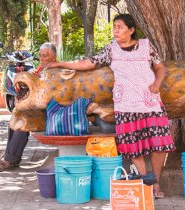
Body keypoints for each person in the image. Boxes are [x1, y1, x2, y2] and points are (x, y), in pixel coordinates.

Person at [45, 14, 175, 198]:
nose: (115, 30)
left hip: (150, 103)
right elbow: (87, 63)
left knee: (159, 145)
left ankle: (157, 185)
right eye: (114, 26)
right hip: (127, 105)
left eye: (120, 27)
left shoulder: (147, 46)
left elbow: (160, 67)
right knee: (133, 146)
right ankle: (147, 184)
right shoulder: (111, 50)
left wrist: (157, 84)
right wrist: (59, 63)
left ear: (131, 30)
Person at [0, 42, 57, 172]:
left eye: (46, 56)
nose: (42, 59)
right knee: (17, 114)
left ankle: (10, 160)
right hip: (40, 106)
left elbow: (50, 90)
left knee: (24, 120)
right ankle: (11, 157)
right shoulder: (41, 69)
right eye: (41, 56)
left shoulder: (55, 69)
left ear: (54, 56)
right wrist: (31, 77)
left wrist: (38, 79)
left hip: (51, 109)